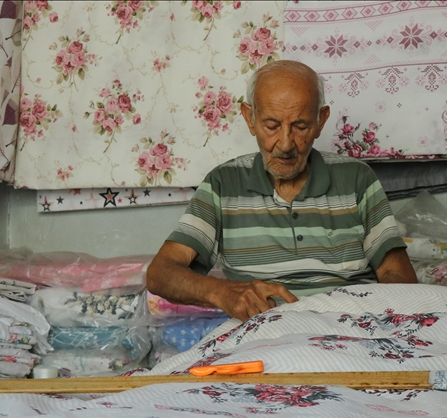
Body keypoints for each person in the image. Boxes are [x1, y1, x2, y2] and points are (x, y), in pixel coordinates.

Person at [146, 60, 417, 321]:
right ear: (249, 118)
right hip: (267, 332)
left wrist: (371, 317)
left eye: (300, 126)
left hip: (352, 325)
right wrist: (223, 293)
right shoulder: (223, 184)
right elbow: (160, 273)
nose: (286, 144)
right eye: (272, 126)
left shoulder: (356, 178)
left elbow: (399, 275)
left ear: (321, 120)